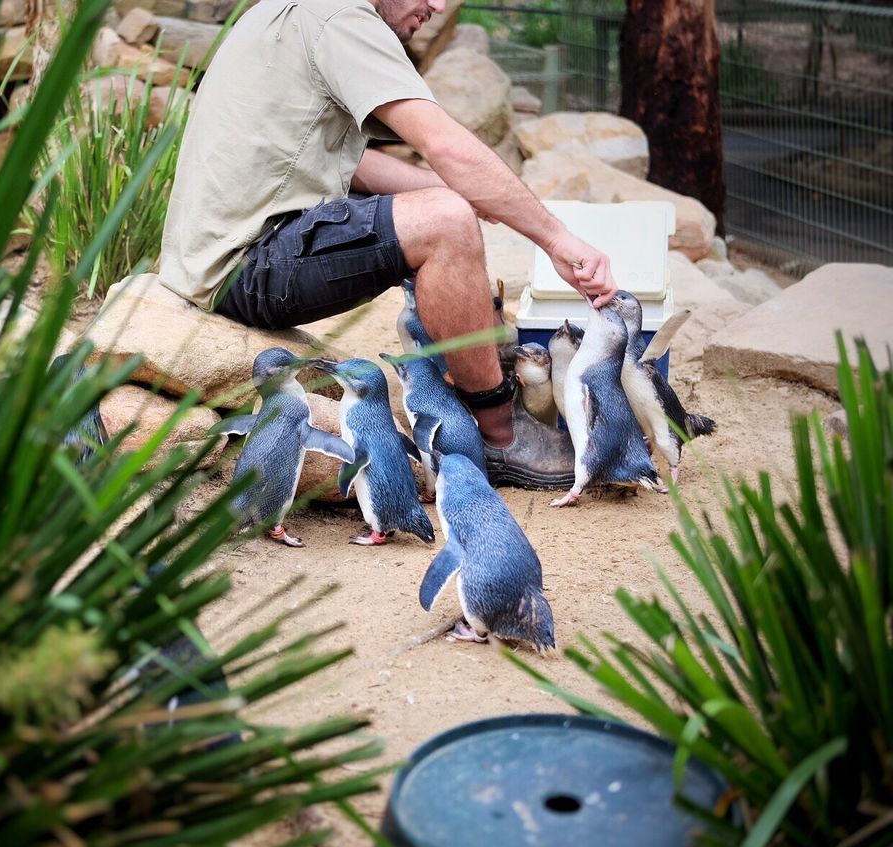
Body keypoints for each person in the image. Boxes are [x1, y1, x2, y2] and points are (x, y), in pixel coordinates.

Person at [157, 0, 618, 488]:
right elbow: (443, 145)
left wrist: (455, 193)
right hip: (248, 264)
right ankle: (500, 435)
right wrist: (555, 238)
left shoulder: (295, 11)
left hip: (222, 255)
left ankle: (472, 373)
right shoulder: (340, 18)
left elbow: (341, 164)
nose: (438, 6)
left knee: (442, 207)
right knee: (445, 224)